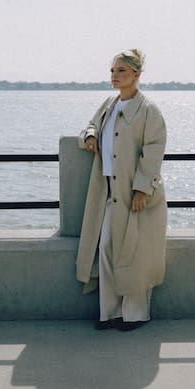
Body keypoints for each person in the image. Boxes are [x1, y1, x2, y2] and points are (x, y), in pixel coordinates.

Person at [76, 48, 167, 331]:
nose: (114, 76)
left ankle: (136, 314)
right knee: (105, 248)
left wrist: (141, 190)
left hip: (135, 196)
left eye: (121, 71)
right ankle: (110, 313)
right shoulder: (108, 104)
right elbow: (90, 126)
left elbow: (153, 151)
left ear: (136, 75)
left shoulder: (149, 110)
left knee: (133, 253)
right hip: (107, 193)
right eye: (113, 71)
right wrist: (90, 135)